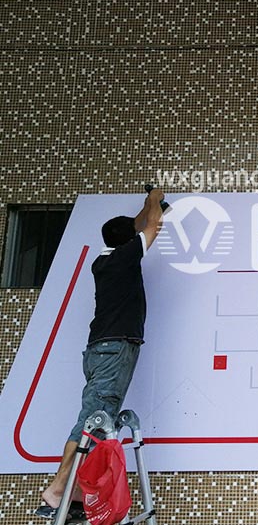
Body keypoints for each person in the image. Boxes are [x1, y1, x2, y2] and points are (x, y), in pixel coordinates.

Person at [36, 188, 165, 520]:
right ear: (127, 241)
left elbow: (139, 223)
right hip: (114, 349)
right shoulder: (123, 258)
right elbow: (153, 225)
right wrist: (155, 196)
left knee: (92, 419)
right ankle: (58, 488)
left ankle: (73, 490)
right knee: (94, 421)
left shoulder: (104, 260)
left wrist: (147, 208)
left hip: (101, 349)